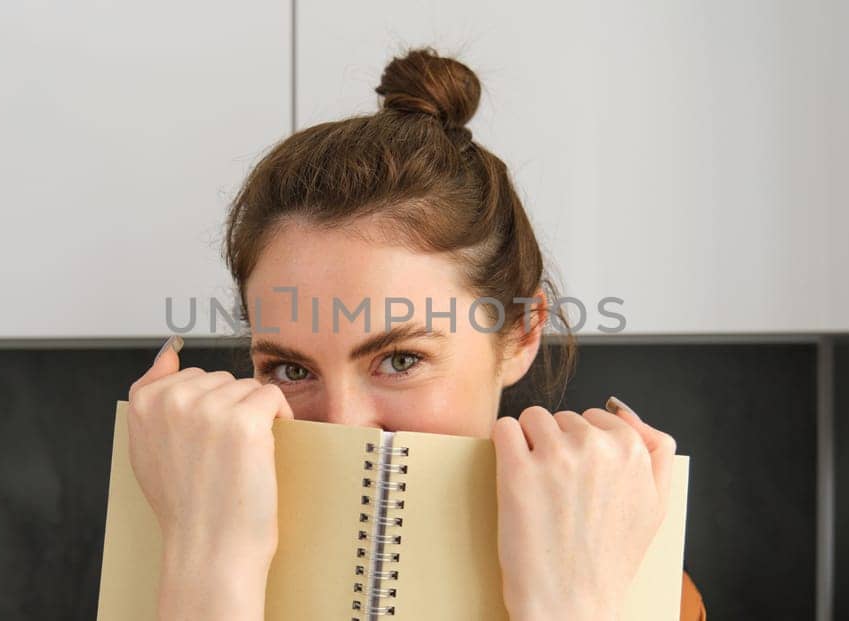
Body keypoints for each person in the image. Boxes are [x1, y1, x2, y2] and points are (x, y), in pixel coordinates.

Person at [126, 47, 706, 620]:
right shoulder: (168, 561)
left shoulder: (646, 594)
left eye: (401, 360)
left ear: (522, 334)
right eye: (292, 370)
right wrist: (206, 568)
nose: (344, 425)